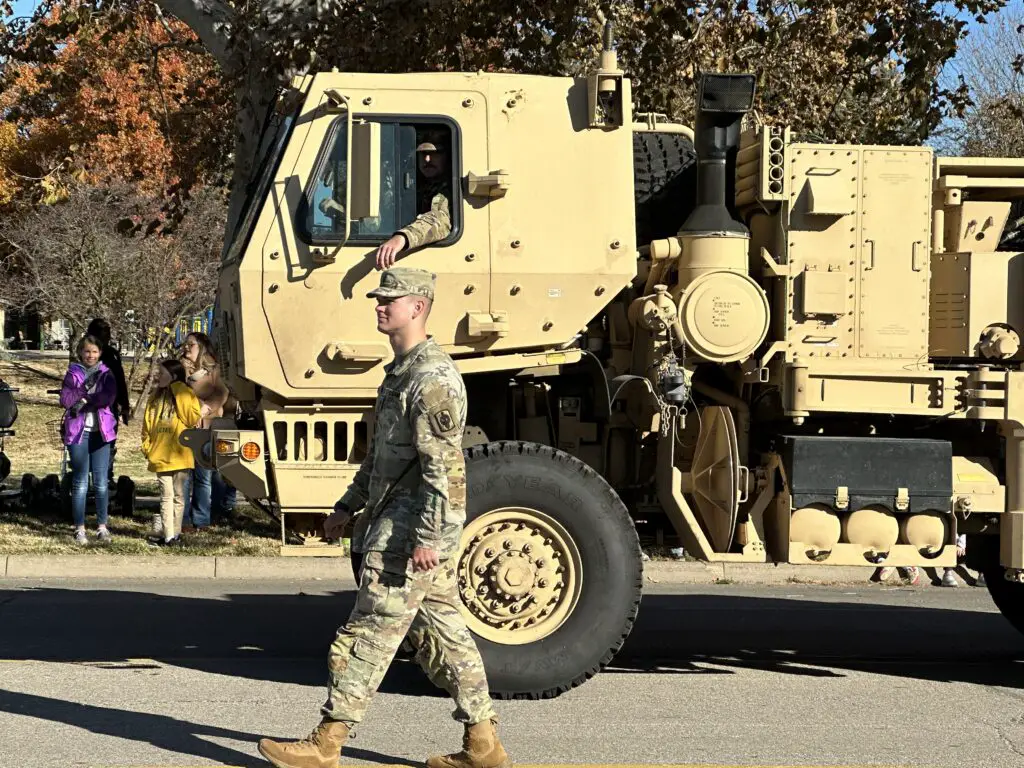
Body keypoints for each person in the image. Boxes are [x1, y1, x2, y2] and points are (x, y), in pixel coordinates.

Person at [257, 267, 511, 768]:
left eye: (389, 299)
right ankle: (483, 745)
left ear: (417, 307)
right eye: (379, 298)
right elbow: (380, 459)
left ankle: (327, 743)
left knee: (369, 630)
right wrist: (347, 506)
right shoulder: (400, 373)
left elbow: (444, 470)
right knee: (443, 634)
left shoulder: (433, 379)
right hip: (393, 517)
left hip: (410, 528)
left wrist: (429, 537)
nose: (379, 305)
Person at [59, 335, 118, 545]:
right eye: (87, 351)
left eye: (94, 351)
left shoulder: (106, 374)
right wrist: (83, 390)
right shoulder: (72, 373)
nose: (90, 355)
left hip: (101, 434)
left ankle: (102, 526)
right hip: (78, 433)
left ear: (100, 353)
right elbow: (65, 400)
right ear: (80, 353)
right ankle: (80, 528)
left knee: (101, 483)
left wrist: (83, 401)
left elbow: (106, 399)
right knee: (80, 482)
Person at [142, 359, 202, 547]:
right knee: (166, 496)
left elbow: (191, 418)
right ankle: (168, 535)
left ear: (174, 376)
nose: (158, 376)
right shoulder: (155, 397)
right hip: (160, 454)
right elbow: (147, 425)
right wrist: (147, 447)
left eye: (162, 373)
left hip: (180, 453)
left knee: (179, 496)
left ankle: (175, 533)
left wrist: (177, 388)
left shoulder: (185, 393)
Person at [374, 131, 453, 270]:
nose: (427, 159)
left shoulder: (448, 189)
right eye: (422, 154)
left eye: (436, 153)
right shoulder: (412, 186)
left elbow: (440, 219)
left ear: (448, 157)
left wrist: (402, 238)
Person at [179, 331, 228, 530]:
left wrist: (207, 407)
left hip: (207, 426)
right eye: (185, 344)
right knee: (183, 476)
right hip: (185, 426)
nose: (186, 348)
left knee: (203, 475)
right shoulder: (180, 367)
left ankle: (201, 519)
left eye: (191, 344)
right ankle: (182, 519)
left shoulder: (214, 369)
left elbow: (222, 392)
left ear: (201, 347)